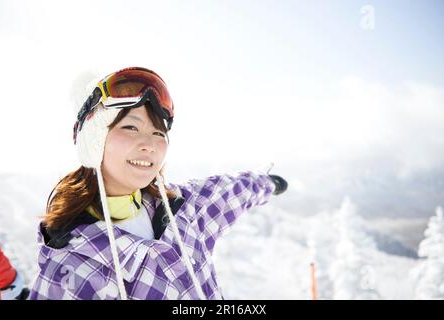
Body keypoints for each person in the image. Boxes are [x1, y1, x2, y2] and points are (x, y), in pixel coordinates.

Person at [29, 67, 288, 300]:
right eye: (131, 127)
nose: (149, 145)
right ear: (92, 143)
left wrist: (267, 183)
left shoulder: (183, 211)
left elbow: (230, 191)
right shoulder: (72, 270)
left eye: (158, 132)